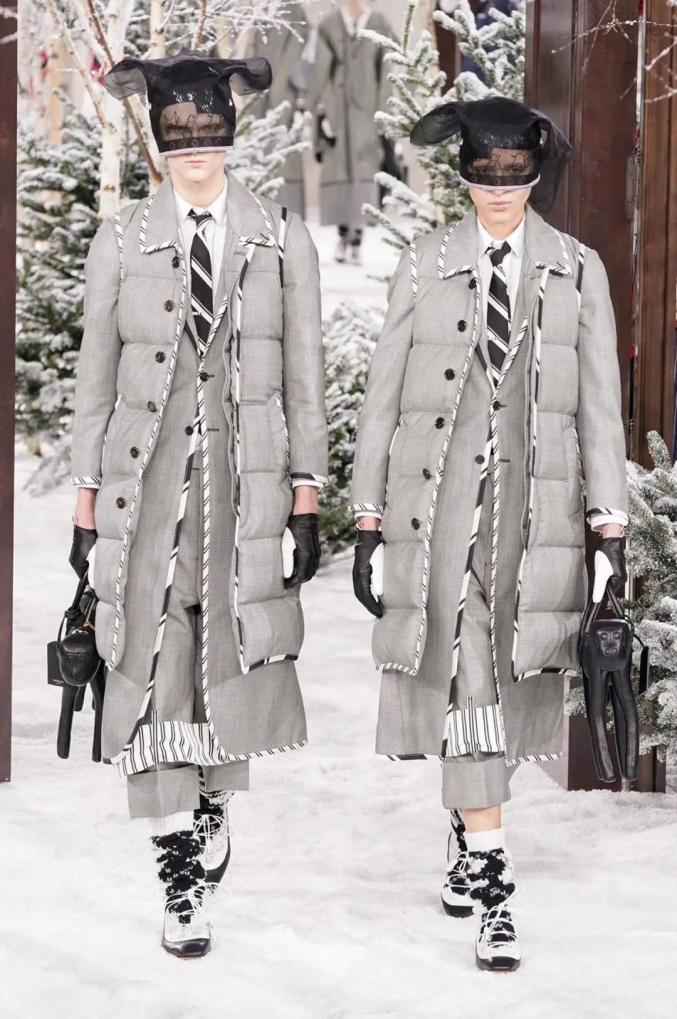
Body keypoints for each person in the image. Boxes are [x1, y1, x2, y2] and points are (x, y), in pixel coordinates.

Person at [350, 96, 628, 971]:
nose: (499, 190)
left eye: (514, 174)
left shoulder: (576, 270)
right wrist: (366, 519)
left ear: (535, 174)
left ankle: (466, 820)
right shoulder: (425, 262)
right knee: (467, 669)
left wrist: (609, 528)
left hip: (536, 519)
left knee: (503, 690)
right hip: (438, 517)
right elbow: (384, 392)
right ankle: (495, 888)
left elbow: (599, 405)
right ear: (462, 174)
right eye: (483, 174)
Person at [69, 51, 328, 958]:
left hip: (244, 480)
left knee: (229, 647)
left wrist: (305, 498)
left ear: (228, 138)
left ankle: (212, 792)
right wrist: (86, 505)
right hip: (144, 487)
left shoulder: (280, 237)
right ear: (159, 145)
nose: (193, 156)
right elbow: (94, 379)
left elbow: (304, 376)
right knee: (149, 658)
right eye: (178, 143)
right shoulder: (122, 239)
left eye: (207, 140)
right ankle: (177, 872)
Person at [310, 0, 396, 264]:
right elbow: (318, 71)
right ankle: (342, 233)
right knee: (338, 169)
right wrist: (318, 110)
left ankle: (357, 237)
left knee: (364, 168)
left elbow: (389, 70)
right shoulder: (329, 26)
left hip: (368, 112)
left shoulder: (380, 24)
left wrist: (384, 113)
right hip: (337, 111)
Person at [249, 1, 310, 217]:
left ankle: (288, 212)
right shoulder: (252, 8)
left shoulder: (293, 8)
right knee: (254, 147)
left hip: (285, 93)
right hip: (254, 93)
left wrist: (282, 78)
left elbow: (301, 41)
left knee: (284, 151)